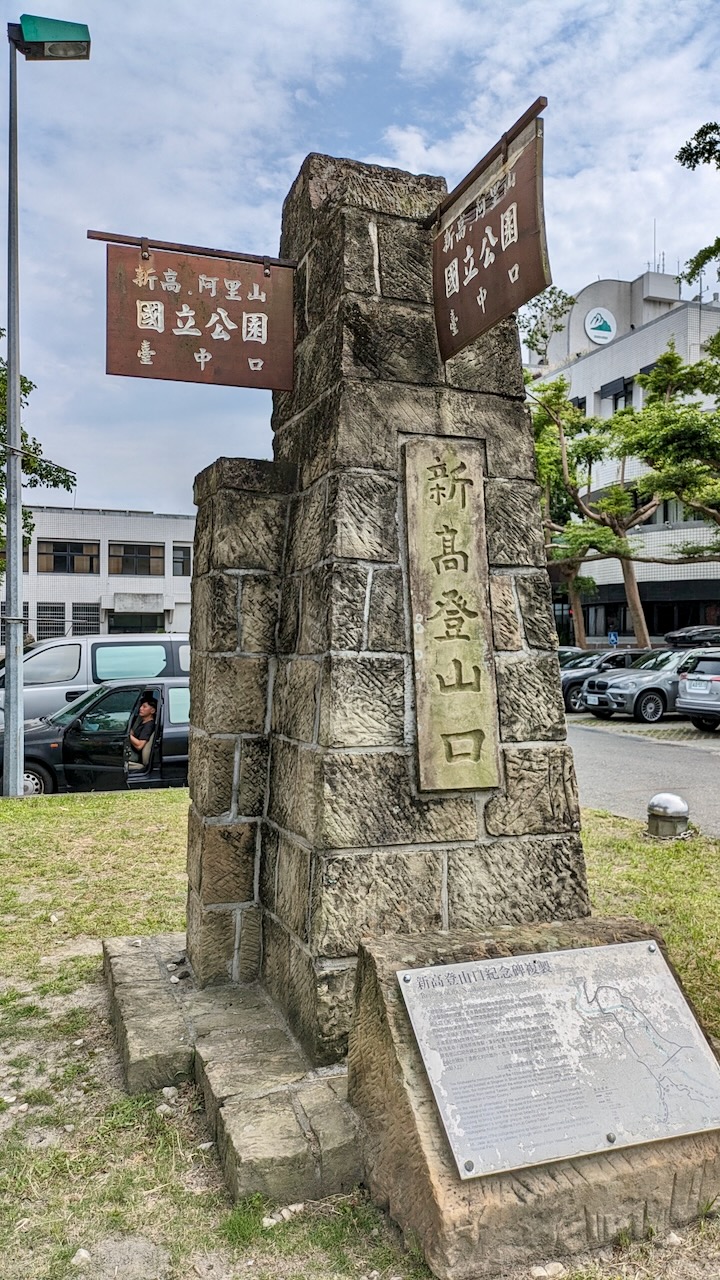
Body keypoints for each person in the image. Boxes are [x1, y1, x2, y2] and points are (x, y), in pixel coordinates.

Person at [128, 694, 157, 761]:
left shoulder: (149, 726)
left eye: (144, 707)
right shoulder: (143, 721)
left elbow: (139, 745)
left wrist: (128, 734)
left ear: (152, 711)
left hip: (134, 754)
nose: (140, 708)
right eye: (141, 706)